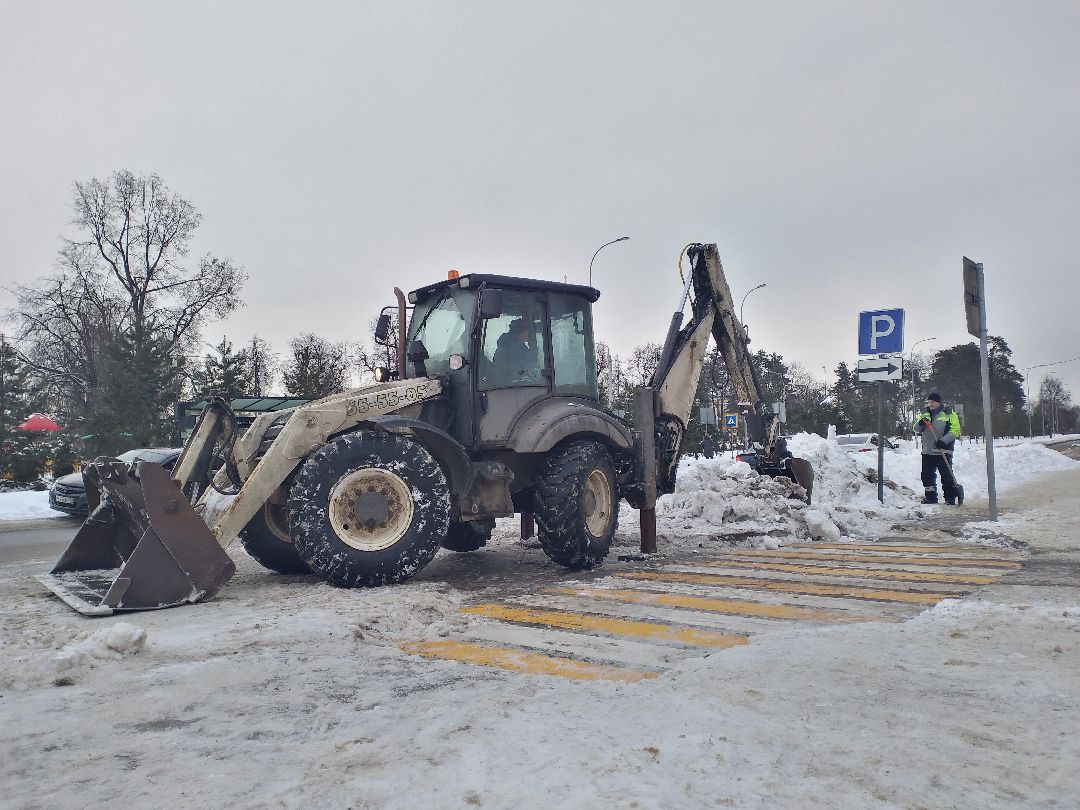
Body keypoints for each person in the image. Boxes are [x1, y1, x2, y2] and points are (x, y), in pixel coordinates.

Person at [913, 390, 962, 505]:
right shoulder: (925, 414)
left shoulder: (949, 413)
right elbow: (915, 429)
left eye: (933, 402)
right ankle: (931, 497)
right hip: (927, 451)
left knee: (946, 476)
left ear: (939, 402)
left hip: (943, 450)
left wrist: (944, 441)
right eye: (929, 402)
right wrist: (920, 423)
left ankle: (950, 498)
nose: (930, 404)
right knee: (927, 475)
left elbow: (955, 430)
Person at [492, 317, 539, 383]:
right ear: (521, 332)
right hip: (514, 385)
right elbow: (528, 367)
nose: (529, 335)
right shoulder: (515, 348)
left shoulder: (506, 344)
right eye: (528, 332)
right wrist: (532, 346)